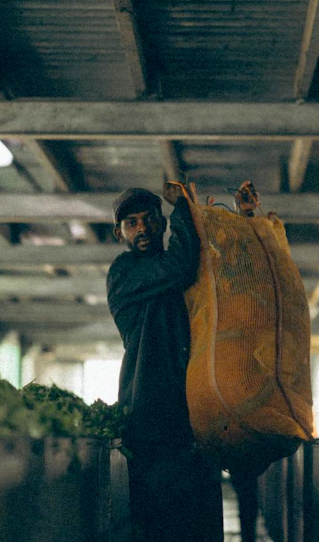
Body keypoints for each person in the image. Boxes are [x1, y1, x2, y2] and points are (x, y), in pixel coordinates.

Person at [107, 183, 224, 542]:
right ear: (119, 233)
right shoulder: (125, 274)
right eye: (131, 223)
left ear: (161, 223)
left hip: (195, 421)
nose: (142, 228)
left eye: (149, 219)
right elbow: (180, 265)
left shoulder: (177, 268)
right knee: (158, 525)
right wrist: (184, 209)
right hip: (151, 425)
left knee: (200, 525)